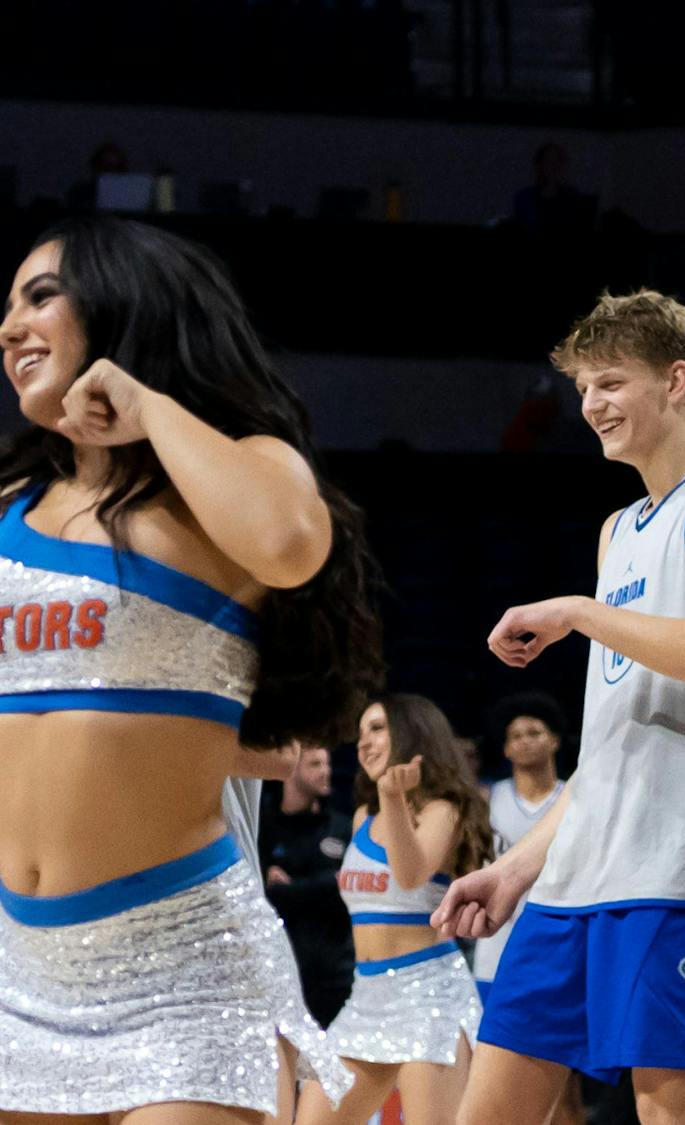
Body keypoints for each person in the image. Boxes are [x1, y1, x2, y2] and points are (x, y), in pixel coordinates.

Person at [0, 215, 382, 1119]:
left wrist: (151, 409)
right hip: (16, 963)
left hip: (183, 967)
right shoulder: (14, 504)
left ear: (126, 306)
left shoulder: (245, 472)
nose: (12, 324)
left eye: (41, 296)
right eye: (8, 305)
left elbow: (292, 546)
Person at [433, 288, 685, 1125]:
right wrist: (517, 868)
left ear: (675, 379)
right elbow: (608, 752)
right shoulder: (619, 530)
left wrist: (578, 612)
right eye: (584, 388)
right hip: (573, 880)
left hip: (676, 871)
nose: (591, 405)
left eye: (610, 382)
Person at [296, 694, 495, 1125]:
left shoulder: (445, 810)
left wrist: (393, 797)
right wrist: (385, 798)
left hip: (428, 997)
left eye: (378, 728)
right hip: (364, 996)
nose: (364, 741)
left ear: (412, 733)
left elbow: (411, 875)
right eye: (362, 731)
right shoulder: (363, 816)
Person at [472, 692, 569, 1005]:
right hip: (498, 940)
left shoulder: (573, 798)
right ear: (506, 749)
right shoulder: (487, 798)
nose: (524, 741)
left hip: (559, 936)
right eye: (515, 736)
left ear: (554, 740)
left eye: (534, 733)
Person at [260, 742, 358, 1028]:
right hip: (283, 972)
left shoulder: (342, 827)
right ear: (290, 769)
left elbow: (346, 892)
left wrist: (289, 890)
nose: (326, 772)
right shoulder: (264, 829)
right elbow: (260, 895)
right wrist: (324, 884)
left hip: (336, 974)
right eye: (315, 764)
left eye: (327, 764)